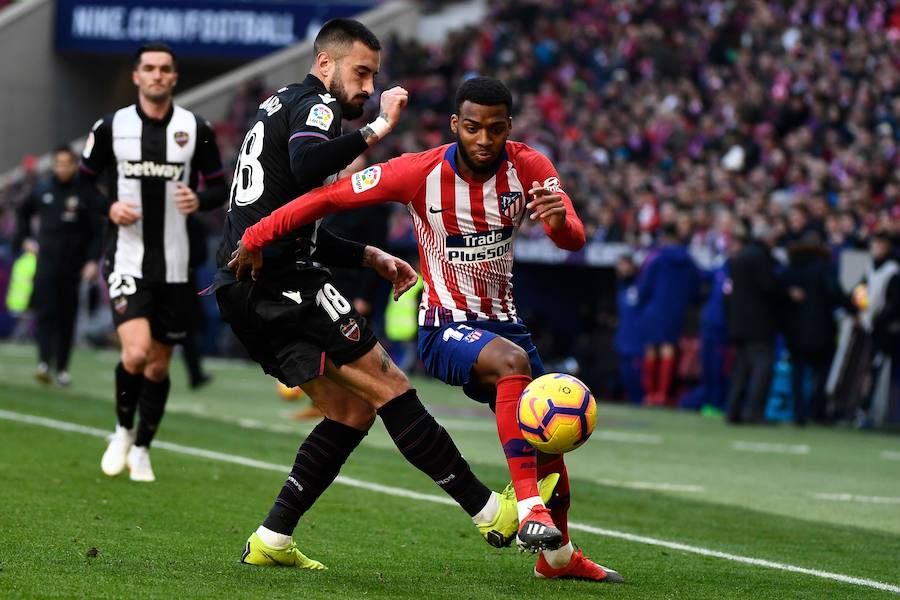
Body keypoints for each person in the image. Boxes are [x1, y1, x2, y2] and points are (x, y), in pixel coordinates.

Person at [231, 76, 623, 583]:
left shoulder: (531, 167)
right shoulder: (417, 172)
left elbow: (572, 240)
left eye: (496, 130)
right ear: (457, 125)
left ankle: (558, 559)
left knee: (548, 444)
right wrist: (257, 233)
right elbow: (329, 200)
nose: (485, 140)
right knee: (513, 369)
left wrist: (559, 223)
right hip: (446, 329)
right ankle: (527, 512)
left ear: (510, 128)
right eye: (474, 128)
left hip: (507, 326)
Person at [214, 21, 536, 571]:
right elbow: (308, 165)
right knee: (391, 386)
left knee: (352, 409)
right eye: (360, 72)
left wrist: (369, 256)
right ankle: (490, 512)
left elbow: (295, 217)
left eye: (374, 76)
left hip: (248, 284)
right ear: (324, 65)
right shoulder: (317, 106)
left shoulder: (278, 105)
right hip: (281, 282)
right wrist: (380, 126)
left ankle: (272, 537)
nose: (367, 87)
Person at [78, 43, 228, 482]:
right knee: (137, 352)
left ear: (175, 78)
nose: (157, 75)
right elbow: (83, 188)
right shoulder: (110, 127)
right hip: (127, 258)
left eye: (165, 69)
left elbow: (220, 187)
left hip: (178, 266)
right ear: (137, 76)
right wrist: (108, 208)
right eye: (149, 68)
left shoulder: (195, 128)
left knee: (160, 365)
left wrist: (199, 198)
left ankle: (143, 446)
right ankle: (123, 430)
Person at [14, 145, 101, 386]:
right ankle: (43, 363)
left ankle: (62, 368)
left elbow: (97, 230)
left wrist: (93, 260)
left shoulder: (84, 193)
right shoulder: (42, 189)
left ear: (75, 165)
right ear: (54, 165)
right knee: (45, 314)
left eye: (67, 164)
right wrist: (25, 239)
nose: (62, 168)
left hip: (73, 266)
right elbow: (22, 212)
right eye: (59, 164)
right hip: (46, 263)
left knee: (66, 318)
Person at [724, 221, 783, 424]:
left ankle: (733, 410)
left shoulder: (739, 257)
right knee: (761, 368)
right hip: (759, 324)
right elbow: (769, 287)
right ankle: (754, 412)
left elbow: (729, 294)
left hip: (738, 323)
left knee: (740, 369)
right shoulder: (761, 258)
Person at [637, 223, 701, 405]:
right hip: (676, 312)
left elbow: (644, 285)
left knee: (651, 349)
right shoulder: (689, 260)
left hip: (654, 309)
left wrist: (642, 302)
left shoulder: (656, 258)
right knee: (668, 349)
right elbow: (695, 289)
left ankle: (650, 394)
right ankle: (663, 394)